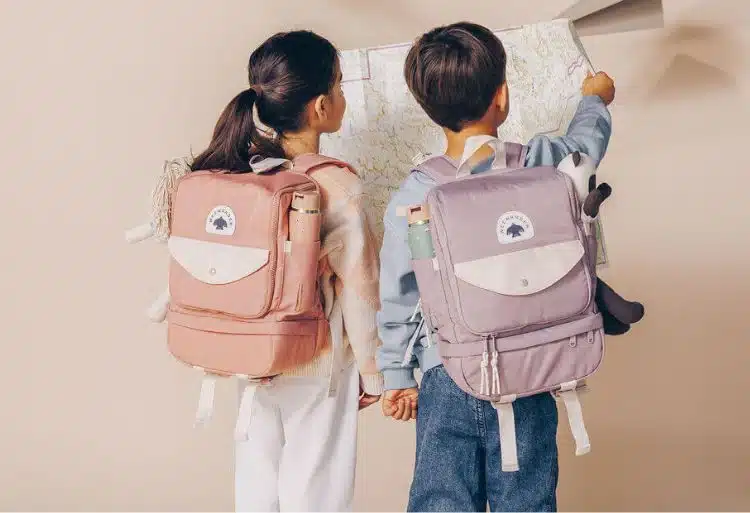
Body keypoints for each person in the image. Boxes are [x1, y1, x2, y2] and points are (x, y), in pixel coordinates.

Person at [376, 22, 615, 512]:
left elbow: (398, 294)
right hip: (530, 366)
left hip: (447, 368)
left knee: (441, 501)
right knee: (527, 501)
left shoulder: (415, 193)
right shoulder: (541, 162)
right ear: (501, 96)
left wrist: (397, 375)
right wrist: (596, 98)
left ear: (427, 107)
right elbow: (586, 144)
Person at [189, 30, 383, 512]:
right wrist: (374, 371)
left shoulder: (243, 172)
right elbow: (360, 289)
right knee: (316, 489)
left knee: (256, 486)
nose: (342, 97)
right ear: (320, 106)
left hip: (252, 352)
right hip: (318, 359)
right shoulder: (336, 185)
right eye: (339, 86)